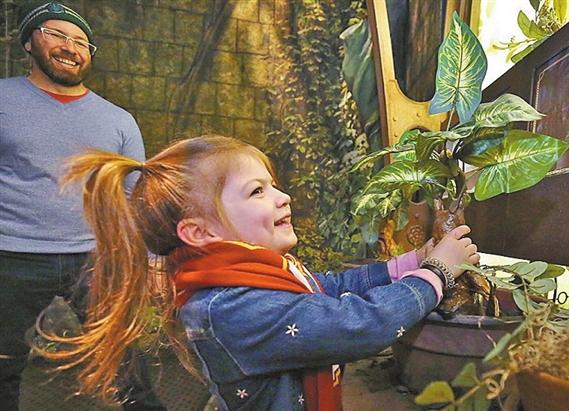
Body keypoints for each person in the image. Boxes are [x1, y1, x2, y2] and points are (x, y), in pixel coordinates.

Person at [43, 135, 481, 410]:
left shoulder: (255, 272)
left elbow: (326, 288)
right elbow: (354, 325)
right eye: (257, 191)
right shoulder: (229, 305)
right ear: (200, 232)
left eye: (273, 184)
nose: (283, 196)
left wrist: (410, 263)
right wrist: (435, 274)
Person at [0, 2, 164, 410]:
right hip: (12, 257)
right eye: (56, 34)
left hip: (97, 259)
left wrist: (149, 261)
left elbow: (134, 197)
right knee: (4, 365)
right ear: (29, 42)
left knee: (126, 361)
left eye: (80, 41)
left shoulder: (119, 120)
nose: (70, 47)